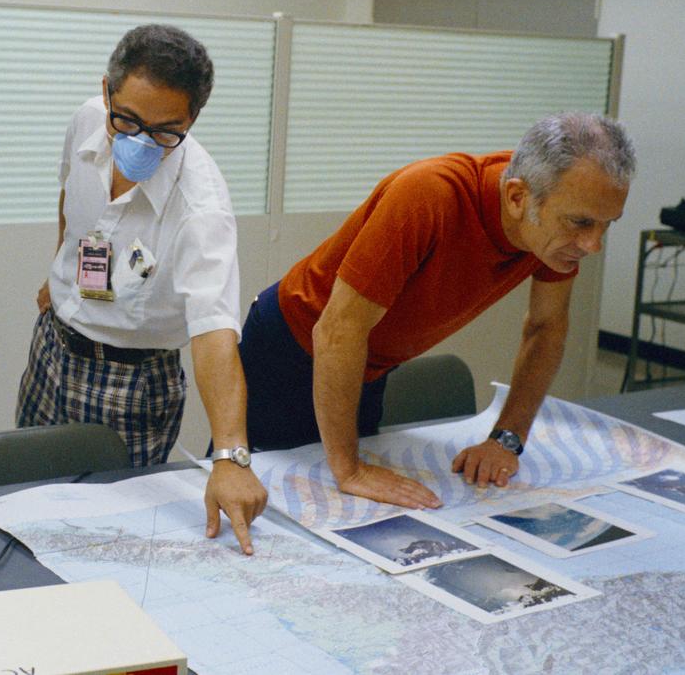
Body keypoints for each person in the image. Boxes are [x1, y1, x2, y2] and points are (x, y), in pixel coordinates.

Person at [240, 112, 635, 510]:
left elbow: (546, 327)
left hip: (362, 364)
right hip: (290, 348)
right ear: (517, 198)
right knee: (261, 498)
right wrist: (350, 470)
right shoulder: (428, 196)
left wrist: (507, 439)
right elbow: (336, 331)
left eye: (607, 225)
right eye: (581, 223)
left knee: (354, 510)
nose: (593, 245)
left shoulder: (553, 219)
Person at [18, 24, 269, 554]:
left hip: (132, 381)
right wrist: (61, 271)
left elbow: (215, 333)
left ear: (192, 119)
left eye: (163, 131)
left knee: (111, 540)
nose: (139, 139)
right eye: (126, 119)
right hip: (53, 346)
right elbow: (73, 197)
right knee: (27, 503)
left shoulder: (201, 208)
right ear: (106, 90)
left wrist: (230, 457)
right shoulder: (88, 119)